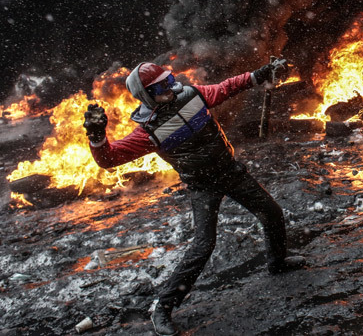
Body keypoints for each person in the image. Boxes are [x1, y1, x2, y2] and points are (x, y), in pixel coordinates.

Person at [83, 61, 305, 335]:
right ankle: (163, 309)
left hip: (230, 171)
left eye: (169, 80)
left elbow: (226, 88)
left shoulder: (193, 95)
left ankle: (277, 262)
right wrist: (96, 137)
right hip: (202, 186)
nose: (170, 88)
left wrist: (257, 75)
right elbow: (110, 159)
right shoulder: (148, 131)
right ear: (146, 95)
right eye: (160, 86)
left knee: (271, 212)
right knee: (203, 246)